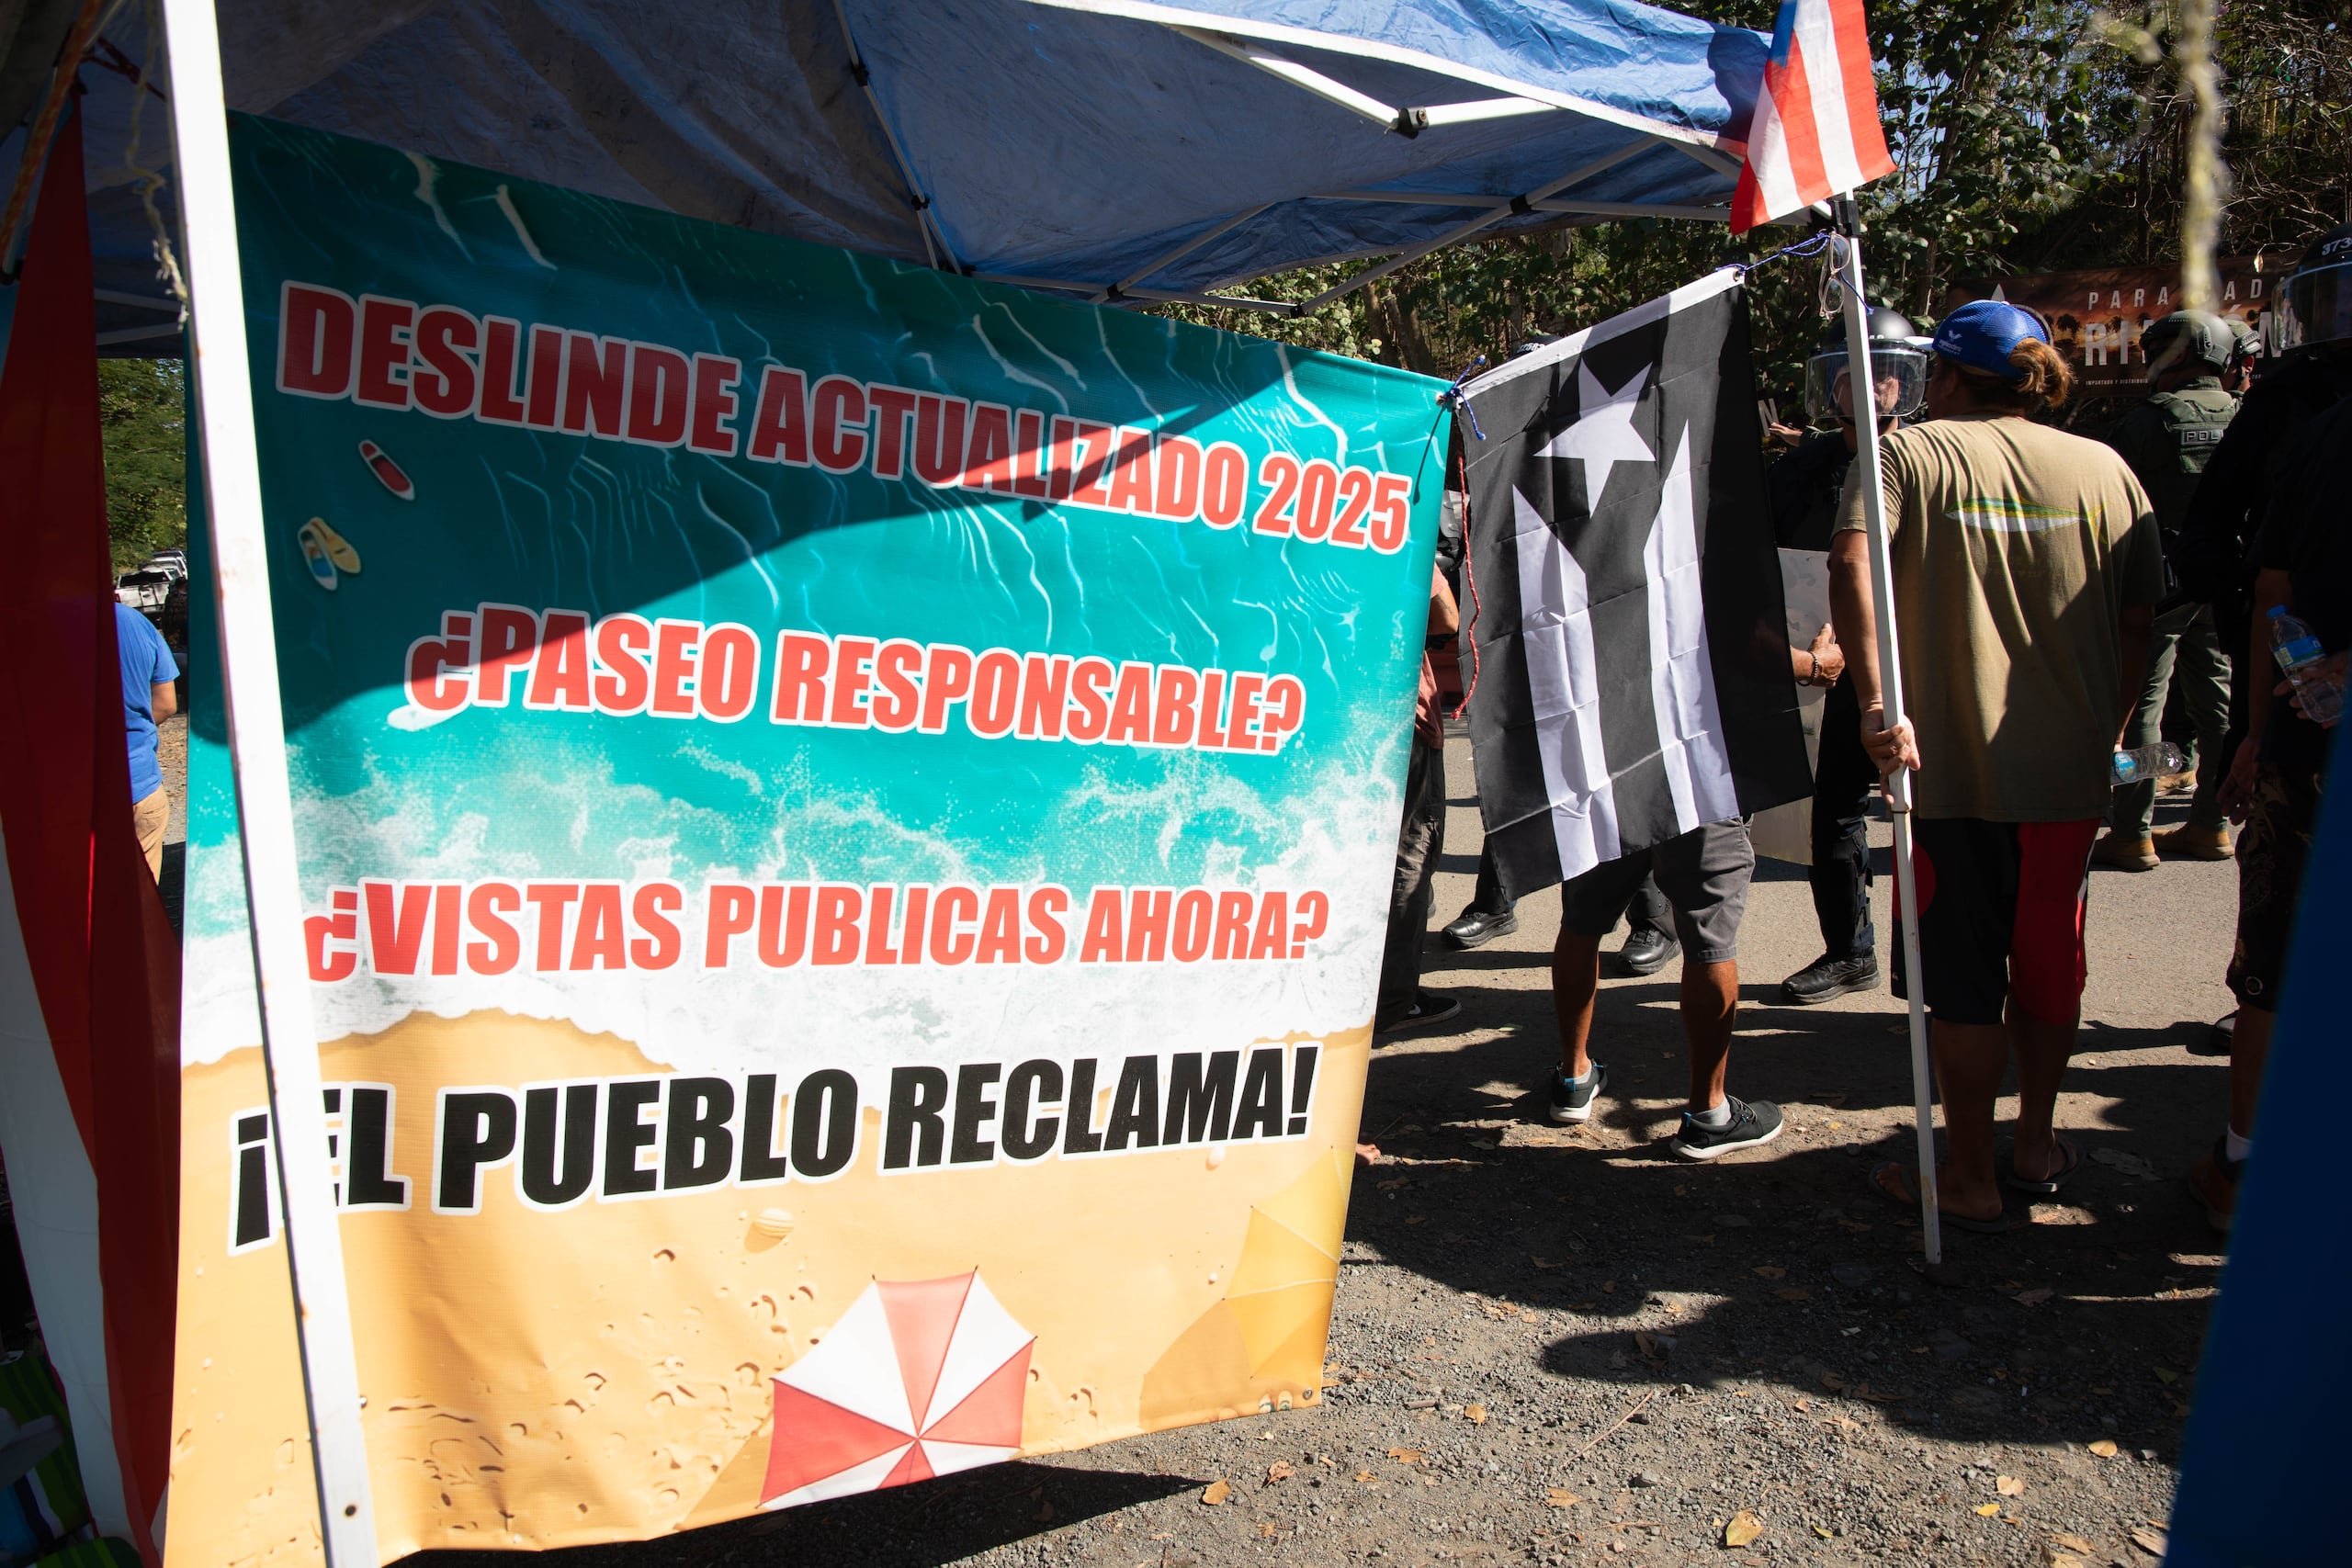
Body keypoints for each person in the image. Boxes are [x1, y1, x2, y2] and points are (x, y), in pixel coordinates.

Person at [1832, 299, 2159, 1231]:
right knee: (2051, 964)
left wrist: (1872, 706)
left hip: (1945, 771)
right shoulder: (2107, 468)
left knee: (1962, 982)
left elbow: (1852, 564)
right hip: (2067, 776)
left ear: (1944, 375)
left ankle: (1968, 1178)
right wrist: (2112, 724)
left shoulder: (1910, 453)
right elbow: (2138, 621)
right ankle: (2035, 1145)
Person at [2191, 272, 2352, 1229]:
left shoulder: (2308, 431)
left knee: (2273, 965)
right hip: (2299, 733)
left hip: (2302, 738)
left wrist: (2256, 730)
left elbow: (2269, 592)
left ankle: (2242, 1168)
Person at [1773, 309, 1934, 1004]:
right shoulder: (1799, 470)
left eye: (1882, 377)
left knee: (1929, 810)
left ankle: (1927, 962)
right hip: (1831, 668)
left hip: (1920, 657)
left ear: (1905, 383)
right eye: (1847, 376)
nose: (1867, 390)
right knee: (1833, 805)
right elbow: (1774, 562)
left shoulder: (1929, 459)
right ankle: (1850, 950)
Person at [2091, 310, 2239, 869]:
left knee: (2144, 704)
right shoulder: (2250, 415)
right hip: (2225, 582)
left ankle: (2132, 830)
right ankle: (2211, 824)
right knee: (2218, 705)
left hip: (2158, 585)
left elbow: (2109, 499)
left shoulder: (2148, 421)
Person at [1376, 566, 1462, 1033]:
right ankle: (1392, 1000)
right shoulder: (1392, 517)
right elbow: (1446, 617)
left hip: (1320, 705)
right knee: (1407, 858)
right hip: (1398, 710)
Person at [118, 599, 179, 881]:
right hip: (142, 785)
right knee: (142, 905)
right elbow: (167, 704)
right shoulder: (138, 623)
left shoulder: (40, 628)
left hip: (74, 794)